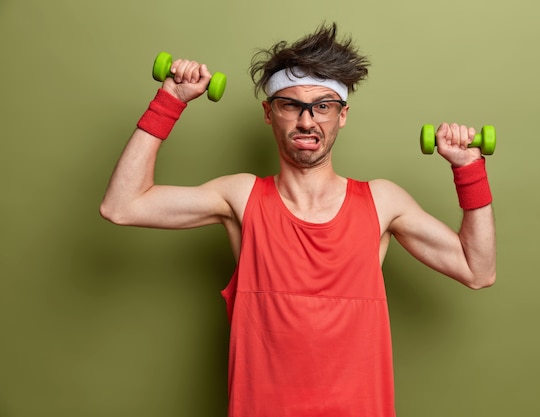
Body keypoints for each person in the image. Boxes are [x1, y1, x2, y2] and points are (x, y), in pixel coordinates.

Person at [100, 22, 496, 417]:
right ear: (269, 113)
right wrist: (170, 99)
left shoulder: (381, 201)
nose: (308, 122)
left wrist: (469, 168)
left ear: (342, 115)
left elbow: (477, 269)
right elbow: (122, 205)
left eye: (323, 106)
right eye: (291, 104)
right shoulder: (240, 197)